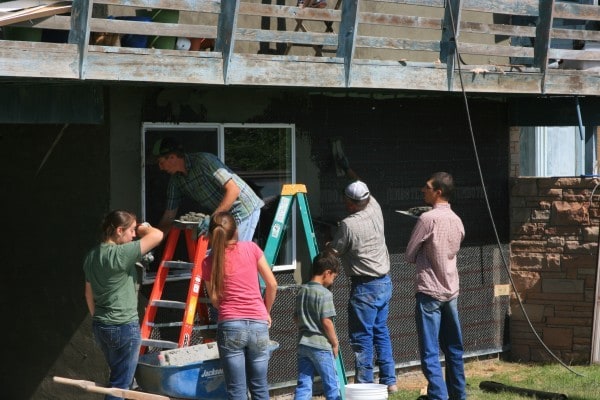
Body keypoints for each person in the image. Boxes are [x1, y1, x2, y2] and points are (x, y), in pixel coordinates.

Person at [327, 176, 398, 393]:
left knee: (362, 338)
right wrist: (347, 170)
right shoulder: (374, 206)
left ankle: (365, 385)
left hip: (365, 288)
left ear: (350, 203)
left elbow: (334, 251)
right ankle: (390, 381)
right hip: (384, 282)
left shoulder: (349, 225)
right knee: (380, 332)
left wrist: (328, 243)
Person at [83, 210, 164, 400]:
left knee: (116, 379)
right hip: (123, 327)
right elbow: (158, 235)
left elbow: (88, 293)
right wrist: (145, 228)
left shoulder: (91, 255)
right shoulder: (121, 253)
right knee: (121, 387)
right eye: (132, 230)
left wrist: (98, 318)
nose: (134, 235)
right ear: (119, 230)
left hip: (102, 326)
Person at [201, 211, 278, 400]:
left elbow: (215, 300)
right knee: (260, 388)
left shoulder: (208, 261)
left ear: (212, 235)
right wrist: (265, 311)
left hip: (230, 325)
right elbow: (272, 284)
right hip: (258, 324)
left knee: (237, 391)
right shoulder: (251, 248)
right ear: (236, 231)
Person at [405, 172, 466, 400]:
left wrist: (424, 251)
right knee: (454, 349)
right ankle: (458, 395)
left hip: (430, 291)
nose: (423, 189)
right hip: (451, 290)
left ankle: (438, 397)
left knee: (430, 352)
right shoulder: (457, 220)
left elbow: (410, 254)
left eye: (427, 187)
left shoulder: (426, 219)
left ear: (438, 192)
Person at [153, 137, 264, 241]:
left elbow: (233, 190)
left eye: (161, 162)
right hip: (225, 216)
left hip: (243, 208)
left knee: (235, 254)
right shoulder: (176, 181)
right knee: (217, 255)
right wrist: (152, 243)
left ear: (172, 157)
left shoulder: (203, 161)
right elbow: (168, 216)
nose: (160, 167)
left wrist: (212, 220)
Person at [294, 250, 341, 400]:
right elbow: (326, 321)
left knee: (304, 384)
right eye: (334, 276)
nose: (333, 281)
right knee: (332, 384)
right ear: (327, 272)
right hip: (321, 346)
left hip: (303, 345)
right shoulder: (325, 294)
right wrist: (335, 343)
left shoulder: (302, 290)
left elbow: (296, 318)